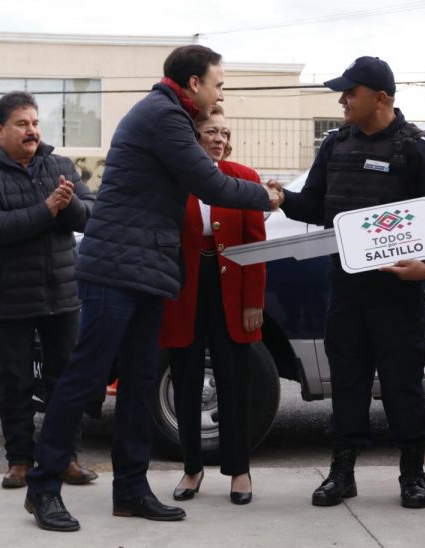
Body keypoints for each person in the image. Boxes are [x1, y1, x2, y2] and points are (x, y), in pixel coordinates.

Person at [24, 45, 281, 532]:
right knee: (84, 380)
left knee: (141, 383)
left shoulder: (173, 116)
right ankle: (42, 488)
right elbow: (211, 184)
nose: (221, 92)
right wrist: (269, 196)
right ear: (192, 85)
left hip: (146, 271)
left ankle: (131, 489)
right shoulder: (163, 116)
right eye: (218, 83)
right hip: (115, 269)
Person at [271, 56, 425, 509]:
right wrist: (283, 199)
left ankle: (412, 474)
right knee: (348, 382)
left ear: (382, 98)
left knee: (402, 385)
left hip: (398, 293)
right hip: (347, 288)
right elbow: (317, 205)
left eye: (350, 93)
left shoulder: (417, 148)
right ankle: (342, 472)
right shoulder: (335, 145)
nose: (342, 100)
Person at [0, 91, 98, 490]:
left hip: (62, 294)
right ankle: (19, 461)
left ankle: (65, 459)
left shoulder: (59, 166)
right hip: (10, 298)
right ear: (0, 129)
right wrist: (48, 209)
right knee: (16, 381)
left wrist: (67, 206)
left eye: (36, 123)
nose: (32, 131)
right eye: (22, 124)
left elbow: (92, 216)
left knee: (65, 381)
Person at [159, 104, 265, 505]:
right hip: (183, 291)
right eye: (210, 132)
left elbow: (256, 244)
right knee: (184, 381)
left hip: (232, 290)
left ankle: (240, 472)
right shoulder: (172, 180)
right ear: (193, 137)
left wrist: (253, 300)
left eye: (224, 132)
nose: (219, 139)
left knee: (235, 381)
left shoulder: (244, 179)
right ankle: (191, 469)